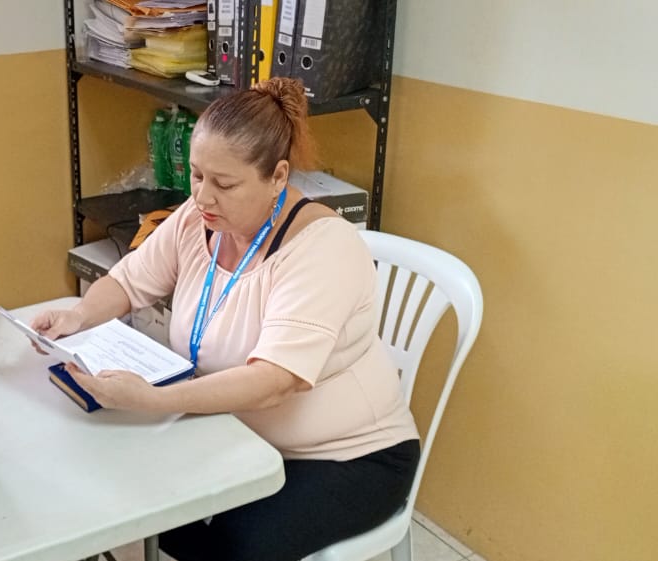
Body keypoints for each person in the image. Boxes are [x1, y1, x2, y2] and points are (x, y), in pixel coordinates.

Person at [30, 77, 420, 560]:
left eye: (225, 184)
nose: (203, 197)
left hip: (346, 456)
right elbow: (128, 282)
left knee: (232, 546)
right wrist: (78, 317)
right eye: (196, 176)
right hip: (235, 430)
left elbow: (274, 382)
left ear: (278, 176)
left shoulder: (323, 249)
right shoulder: (199, 219)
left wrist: (153, 399)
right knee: (125, 497)